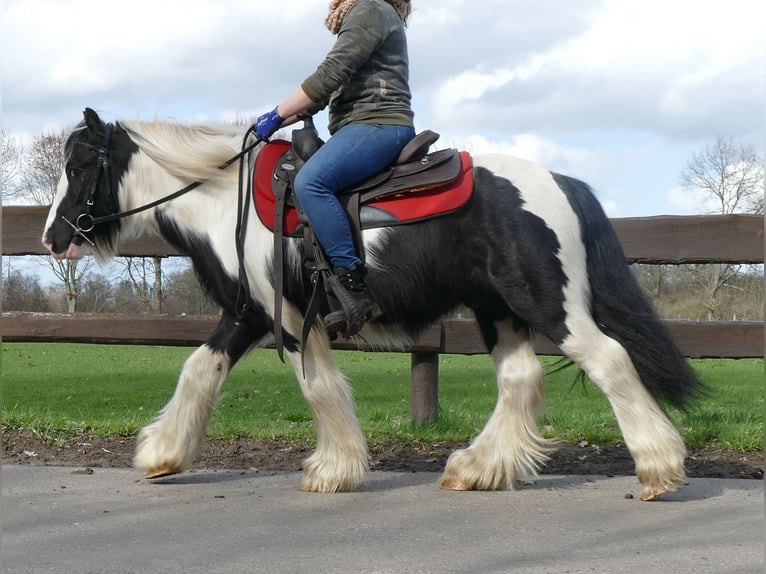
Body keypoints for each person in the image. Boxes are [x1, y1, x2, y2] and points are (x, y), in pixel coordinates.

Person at [254, 0, 415, 333]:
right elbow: (331, 88)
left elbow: (331, 74)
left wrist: (277, 113)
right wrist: (294, 113)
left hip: (378, 124)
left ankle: (354, 286)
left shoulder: (370, 7)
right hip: (363, 124)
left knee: (311, 182)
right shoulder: (371, 12)